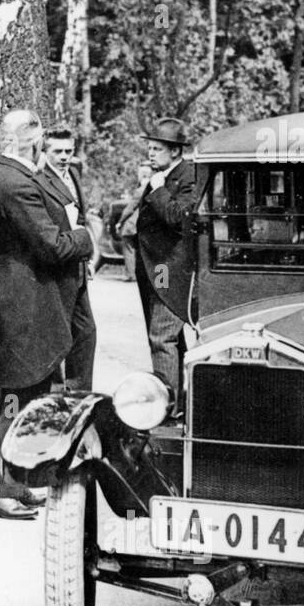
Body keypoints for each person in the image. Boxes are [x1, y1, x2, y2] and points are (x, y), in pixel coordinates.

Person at [0, 110, 91, 520]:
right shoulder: (16, 184)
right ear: (32, 142)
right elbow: (53, 247)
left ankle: (18, 483)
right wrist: (85, 237)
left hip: (15, 308)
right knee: (15, 399)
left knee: (29, 397)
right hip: (20, 311)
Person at [134, 117, 197, 409]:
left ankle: (167, 404)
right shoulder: (164, 174)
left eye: (157, 148)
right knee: (167, 337)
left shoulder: (187, 177)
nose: (151, 153)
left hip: (165, 268)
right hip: (153, 265)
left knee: (162, 335)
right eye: (150, 147)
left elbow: (178, 219)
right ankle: (177, 400)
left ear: (175, 151)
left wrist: (158, 189)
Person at [35, 126, 97, 393]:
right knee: (53, 333)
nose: (63, 156)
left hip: (77, 266)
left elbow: (80, 219)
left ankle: (77, 391)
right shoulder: (38, 179)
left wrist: (88, 258)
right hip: (55, 267)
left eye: (68, 151)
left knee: (86, 331)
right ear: (44, 151)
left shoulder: (72, 173)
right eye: (57, 151)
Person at [115, 161, 153, 281]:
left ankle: (130, 275)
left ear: (143, 177)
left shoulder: (140, 190)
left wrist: (120, 222)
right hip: (145, 226)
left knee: (128, 249)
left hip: (132, 226)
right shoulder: (154, 190)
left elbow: (129, 209)